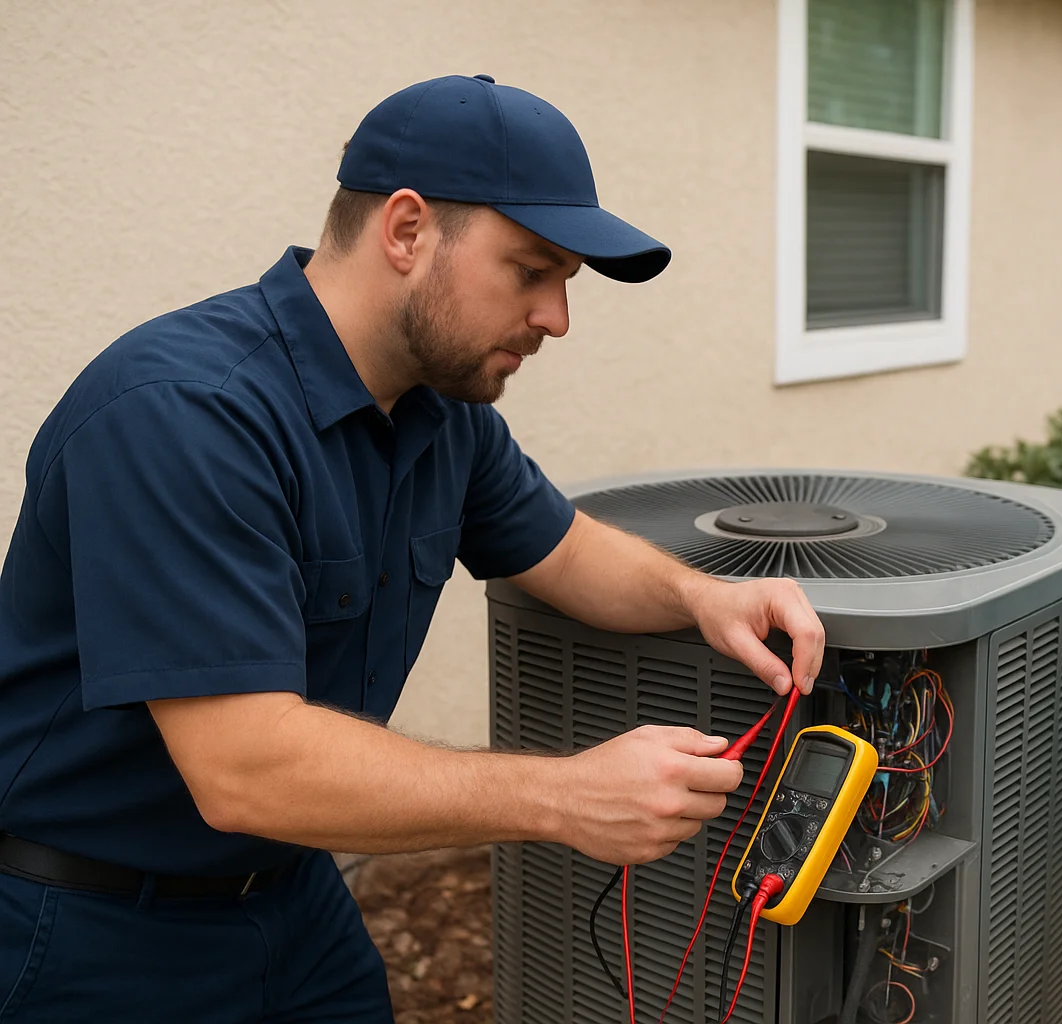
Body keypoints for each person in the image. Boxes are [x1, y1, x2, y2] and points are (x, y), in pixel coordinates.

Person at [0, 75, 825, 1022]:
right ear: (406, 230)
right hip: (91, 933)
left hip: (295, 904)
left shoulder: (440, 412)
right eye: (532, 270)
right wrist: (566, 797)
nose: (558, 318)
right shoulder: (186, 415)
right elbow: (244, 767)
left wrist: (702, 597)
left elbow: (562, 550)